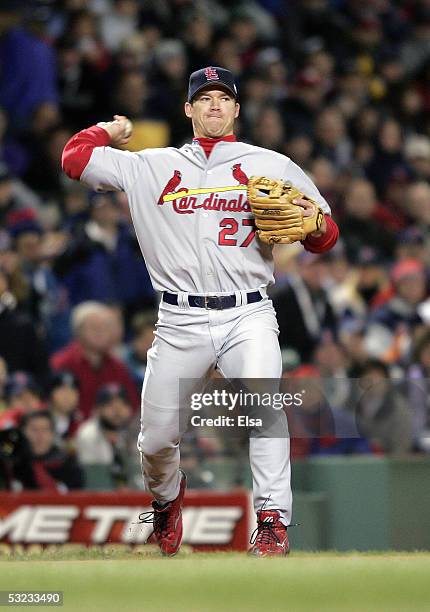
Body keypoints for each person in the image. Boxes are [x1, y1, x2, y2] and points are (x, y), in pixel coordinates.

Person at [61, 66, 339, 557]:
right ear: (188, 109)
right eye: (203, 97)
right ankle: (166, 500)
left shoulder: (271, 163)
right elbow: (73, 159)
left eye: (223, 97)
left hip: (248, 312)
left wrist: (314, 226)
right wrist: (109, 131)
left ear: (236, 109)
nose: (214, 104)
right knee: (154, 441)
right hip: (177, 320)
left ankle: (272, 522)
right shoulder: (149, 165)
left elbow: (325, 238)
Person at [51, 301, 139, 418]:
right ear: (78, 331)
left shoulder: (118, 367)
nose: (100, 332)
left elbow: (132, 407)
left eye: (105, 327)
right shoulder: (61, 364)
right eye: (93, 327)